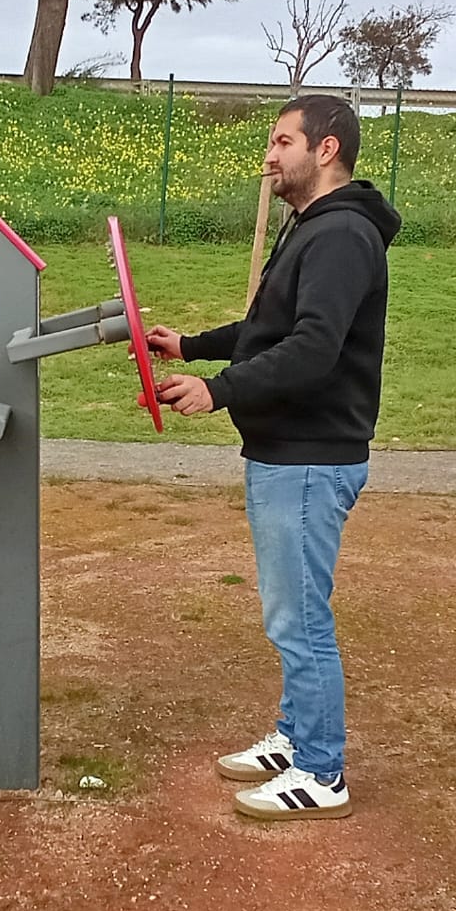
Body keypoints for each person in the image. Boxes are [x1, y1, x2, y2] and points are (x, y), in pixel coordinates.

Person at [149, 95, 400, 821]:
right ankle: (296, 735)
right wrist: (192, 347)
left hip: (310, 457)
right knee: (290, 612)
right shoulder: (313, 227)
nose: (269, 155)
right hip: (287, 453)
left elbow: (313, 348)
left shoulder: (342, 235)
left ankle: (321, 772)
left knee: (300, 619)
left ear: (326, 149)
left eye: (283, 141)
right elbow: (270, 326)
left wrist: (218, 390)